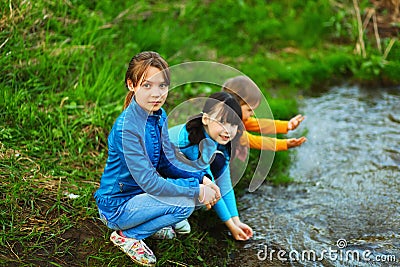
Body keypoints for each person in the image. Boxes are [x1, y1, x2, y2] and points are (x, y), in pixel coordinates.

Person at [94, 51, 220, 267]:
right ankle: (128, 235)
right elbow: (149, 181)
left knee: (199, 195)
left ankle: (150, 219)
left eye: (162, 86)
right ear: (131, 85)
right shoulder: (127, 129)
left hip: (142, 197)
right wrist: (195, 189)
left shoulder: (158, 116)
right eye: (147, 85)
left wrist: (202, 179)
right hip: (117, 206)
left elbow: (167, 161)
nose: (156, 94)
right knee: (185, 205)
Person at [169, 92, 253, 241]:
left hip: (181, 173)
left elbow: (224, 181)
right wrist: (232, 228)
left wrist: (236, 220)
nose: (229, 130)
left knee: (219, 162)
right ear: (206, 119)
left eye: (234, 124)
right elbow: (211, 184)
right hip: (157, 174)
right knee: (204, 193)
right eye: (223, 122)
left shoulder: (219, 141)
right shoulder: (194, 142)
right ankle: (171, 211)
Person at [222, 75, 306, 159]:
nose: (252, 114)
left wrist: (287, 125)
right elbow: (256, 141)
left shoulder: (233, 117)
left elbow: (259, 124)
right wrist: (285, 144)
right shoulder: (228, 128)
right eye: (249, 110)